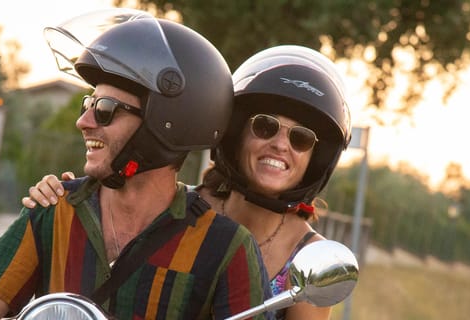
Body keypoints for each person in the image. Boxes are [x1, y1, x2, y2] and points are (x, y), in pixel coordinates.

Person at [0, 9, 271, 320]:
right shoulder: (56, 210)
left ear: (165, 126)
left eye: (104, 110)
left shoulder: (226, 247)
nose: (83, 122)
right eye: (89, 105)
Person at [25, 45, 353, 320]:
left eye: (301, 139)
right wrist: (73, 196)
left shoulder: (309, 258)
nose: (281, 145)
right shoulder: (180, 207)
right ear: (235, 134)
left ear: (316, 160)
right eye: (265, 127)